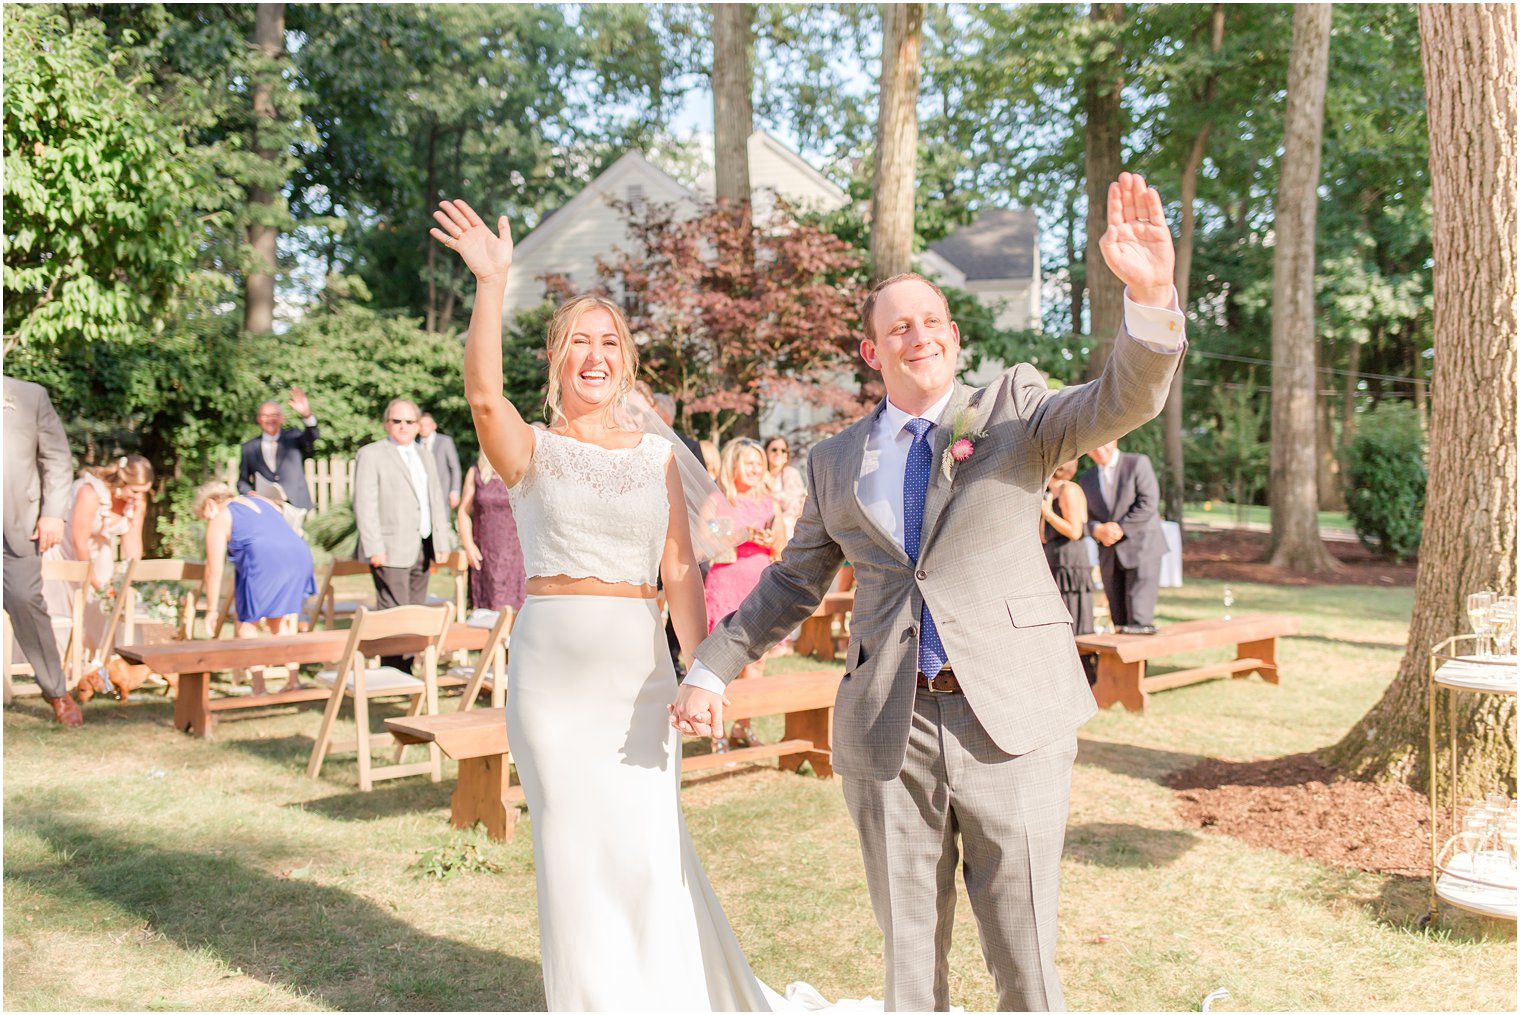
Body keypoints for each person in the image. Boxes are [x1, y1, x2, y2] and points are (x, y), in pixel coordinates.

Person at [676, 172, 1186, 1011]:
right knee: (910, 965)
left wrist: (1153, 296)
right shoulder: (834, 460)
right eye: (897, 325)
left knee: (1024, 960)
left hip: (1011, 721)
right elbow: (791, 582)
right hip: (889, 727)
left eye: (932, 321)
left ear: (953, 337)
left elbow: (1120, 398)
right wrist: (710, 666)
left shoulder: (1016, 410)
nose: (920, 335)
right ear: (872, 352)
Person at [432, 197, 784, 1010]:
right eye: (579, 342)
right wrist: (493, 283)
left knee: (647, 848)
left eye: (609, 342)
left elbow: (682, 572)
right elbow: (484, 397)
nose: (595, 355)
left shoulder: (658, 457)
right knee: (572, 848)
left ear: (626, 361)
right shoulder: (530, 447)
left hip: (638, 671)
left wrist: (707, 672)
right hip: (554, 670)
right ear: (557, 359)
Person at [3, 375, 84, 726]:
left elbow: (57, 459)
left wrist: (53, 513)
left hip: (15, 525)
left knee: (25, 600)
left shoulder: (28, 395)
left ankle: (56, 692)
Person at [352, 398, 456, 671]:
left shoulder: (424, 454)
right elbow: (365, 503)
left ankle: (407, 667)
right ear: (387, 423)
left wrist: (442, 541)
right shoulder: (371, 454)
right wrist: (374, 545)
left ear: (418, 425)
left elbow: (435, 499)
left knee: (415, 609)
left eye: (409, 421)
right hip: (388, 547)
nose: (403, 426)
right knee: (393, 611)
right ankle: (392, 669)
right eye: (397, 421)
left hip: (422, 544)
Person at [194, 482, 317, 695]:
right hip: (299, 557)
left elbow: (213, 570)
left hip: (264, 563)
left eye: (204, 515)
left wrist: (212, 610)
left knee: (247, 626)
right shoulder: (261, 501)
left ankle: (259, 688)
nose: (207, 521)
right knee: (278, 622)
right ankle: (293, 681)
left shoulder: (222, 515)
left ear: (211, 503)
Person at [704, 439, 786, 748]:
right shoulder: (720, 499)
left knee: (757, 661)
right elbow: (704, 539)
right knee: (724, 661)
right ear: (733, 464)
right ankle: (718, 731)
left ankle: (744, 725)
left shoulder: (770, 503)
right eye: (749, 462)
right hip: (726, 582)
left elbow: (781, 545)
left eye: (759, 463)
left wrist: (767, 538)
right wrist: (741, 534)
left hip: (759, 584)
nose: (755, 469)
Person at [42, 455, 154, 659]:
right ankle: (63, 668)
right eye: (136, 491)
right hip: (66, 555)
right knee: (66, 613)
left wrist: (129, 576)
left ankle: (99, 664)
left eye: (144, 492)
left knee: (100, 613)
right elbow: (79, 541)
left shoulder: (137, 502)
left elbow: (132, 542)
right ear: (122, 480)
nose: (139, 497)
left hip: (100, 554)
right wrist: (94, 583)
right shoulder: (90, 492)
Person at [1077, 439, 1166, 635]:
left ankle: (1140, 664)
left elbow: (1148, 503)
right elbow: (1086, 518)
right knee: (1118, 622)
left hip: (1142, 550)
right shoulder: (1087, 479)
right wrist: (1097, 530)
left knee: (1139, 621)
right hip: (1109, 557)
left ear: (1114, 440)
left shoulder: (1137, 463)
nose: (1099, 450)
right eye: (1092, 446)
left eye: (1103, 444)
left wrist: (1120, 529)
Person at [237, 387, 319, 530]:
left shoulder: (294, 437)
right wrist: (248, 492)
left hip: (295, 505)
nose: (270, 419)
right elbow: (242, 480)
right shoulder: (249, 447)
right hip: (265, 507)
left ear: (281, 418)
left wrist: (307, 416)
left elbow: (312, 436)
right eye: (265, 415)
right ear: (259, 419)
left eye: (274, 415)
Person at [456, 456, 526, 614]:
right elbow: (463, 511)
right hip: (486, 553)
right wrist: (468, 545)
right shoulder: (476, 473)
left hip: (517, 553)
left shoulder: (521, 470)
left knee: (518, 611)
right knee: (488, 611)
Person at [1041, 460, 1094, 636]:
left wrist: (1048, 514)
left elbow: (1075, 531)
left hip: (1070, 563)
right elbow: (1043, 536)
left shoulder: (1069, 489)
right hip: (1054, 560)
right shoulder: (1050, 494)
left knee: (1074, 618)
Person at [763, 435, 807, 537]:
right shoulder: (759, 475)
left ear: (786, 455)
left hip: (787, 533)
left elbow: (794, 507)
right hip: (764, 531)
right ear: (766, 452)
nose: (778, 453)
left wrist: (772, 486)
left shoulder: (791, 474)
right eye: (774, 450)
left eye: (783, 450)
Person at [418, 412, 464, 510]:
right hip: (421, 495)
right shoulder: (415, 444)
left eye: (426, 424)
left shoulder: (445, 442)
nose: (423, 427)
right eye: (420, 424)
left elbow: (455, 468)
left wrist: (455, 490)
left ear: (433, 426)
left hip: (443, 494)